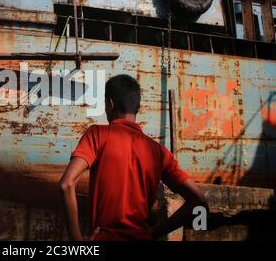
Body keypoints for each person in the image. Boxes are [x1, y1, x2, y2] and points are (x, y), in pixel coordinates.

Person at [59, 74, 208, 241]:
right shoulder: (159, 152)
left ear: (110, 104)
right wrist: (154, 232)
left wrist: (76, 240)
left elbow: (67, 184)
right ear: (138, 108)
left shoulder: (97, 135)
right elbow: (198, 200)